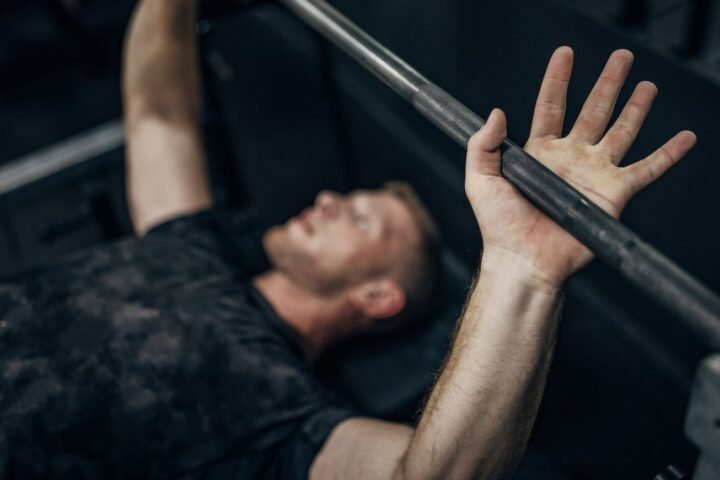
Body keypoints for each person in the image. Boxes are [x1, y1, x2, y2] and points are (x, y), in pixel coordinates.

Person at [0, 0, 696, 478]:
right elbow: (159, 113)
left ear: (378, 295)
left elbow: (432, 475)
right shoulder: (191, 245)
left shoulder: (281, 419)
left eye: (363, 220)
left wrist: (520, 266)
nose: (329, 199)